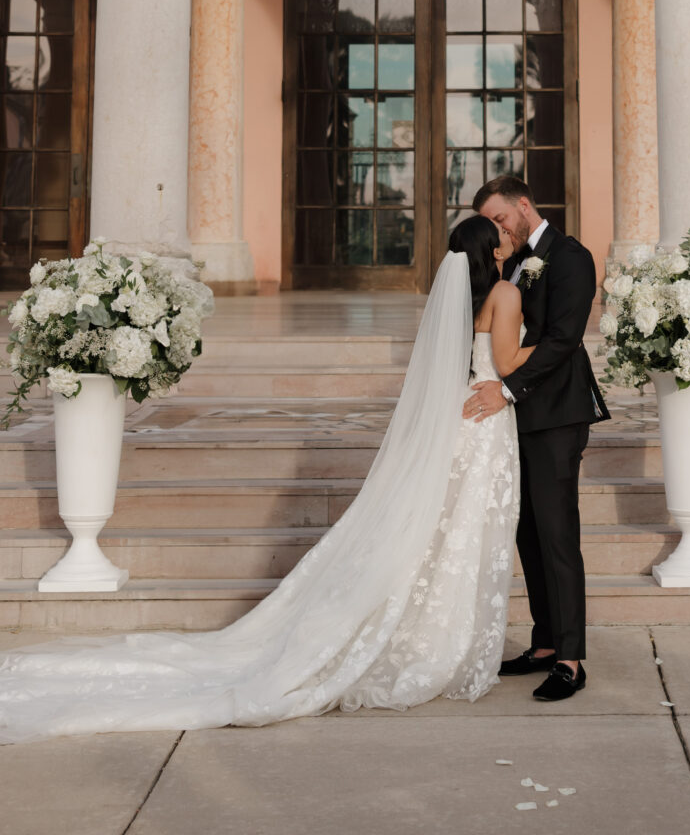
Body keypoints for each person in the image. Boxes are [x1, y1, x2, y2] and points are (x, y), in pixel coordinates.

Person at [0, 217, 530, 744]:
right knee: (462, 530)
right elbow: (506, 362)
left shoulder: (462, 298)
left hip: (456, 425)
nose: (509, 236)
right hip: (483, 429)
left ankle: (428, 634)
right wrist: (561, 345)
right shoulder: (504, 294)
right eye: (500, 233)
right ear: (492, 249)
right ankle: (441, 641)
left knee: (442, 530)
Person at [464, 176, 610, 701]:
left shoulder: (571, 257)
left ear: (525, 204)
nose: (499, 230)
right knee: (527, 533)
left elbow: (564, 340)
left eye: (501, 219)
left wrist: (505, 389)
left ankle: (570, 659)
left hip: (554, 413)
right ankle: (545, 643)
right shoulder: (515, 262)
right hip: (514, 417)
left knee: (557, 533)